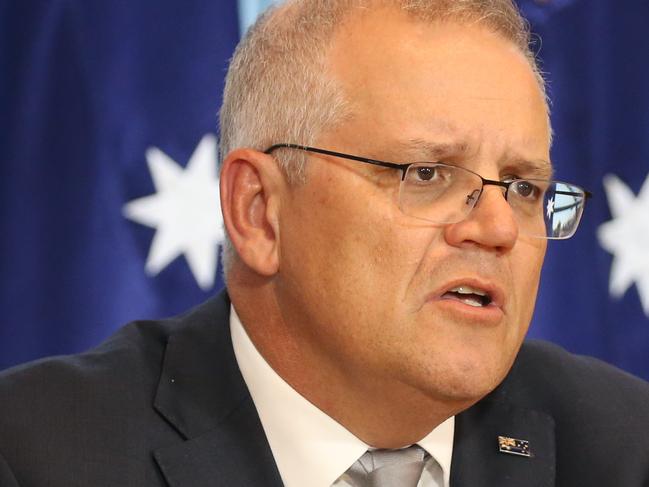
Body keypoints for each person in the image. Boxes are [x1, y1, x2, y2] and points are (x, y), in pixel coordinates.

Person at [1, 0, 648, 486]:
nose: (499, 228)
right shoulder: (37, 452)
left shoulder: (623, 446)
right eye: (425, 174)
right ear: (259, 213)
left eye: (524, 187)